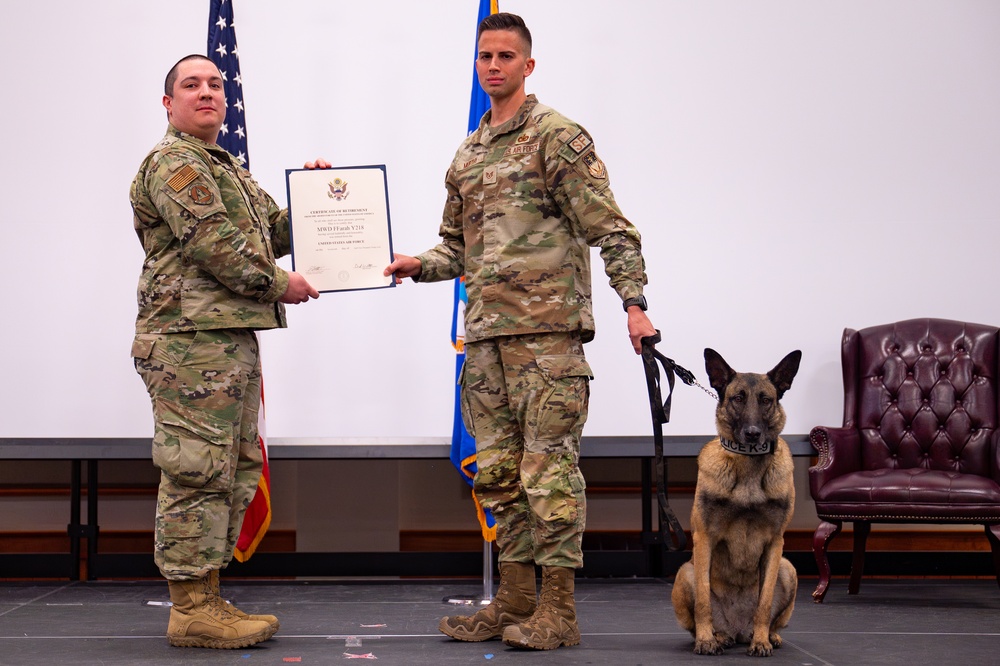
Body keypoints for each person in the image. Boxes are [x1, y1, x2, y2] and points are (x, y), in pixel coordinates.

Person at [384, 13, 657, 651]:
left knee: (549, 473)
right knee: (500, 475)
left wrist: (634, 303)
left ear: (527, 66)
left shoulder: (558, 138)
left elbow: (610, 227)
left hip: (547, 340)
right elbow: (457, 249)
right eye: (485, 56)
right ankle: (512, 600)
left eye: (506, 56)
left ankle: (558, 612)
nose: (493, 66)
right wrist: (418, 265)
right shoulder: (469, 153)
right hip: (485, 342)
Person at [130, 54, 326, 650]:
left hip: (224, 339)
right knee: (195, 470)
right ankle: (189, 607)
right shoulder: (175, 164)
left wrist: (323, 199)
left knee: (229, 471)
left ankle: (206, 597)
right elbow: (215, 244)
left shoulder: (227, 167)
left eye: (215, 84)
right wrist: (278, 283)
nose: (207, 92)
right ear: (169, 103)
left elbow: (274, 232)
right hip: (188, 343)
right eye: (191, 85)